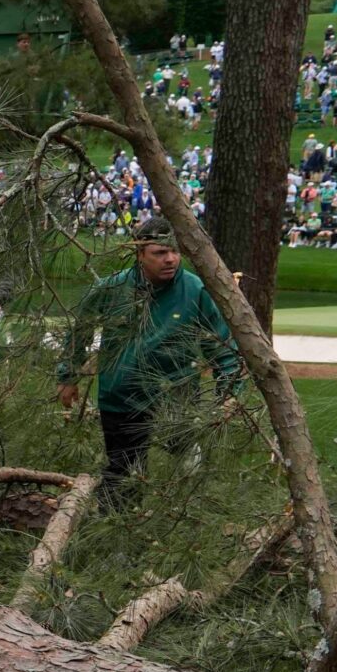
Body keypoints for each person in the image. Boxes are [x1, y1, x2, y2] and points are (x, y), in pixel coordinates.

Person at [58, 214, 241, 507]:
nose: (170, 259)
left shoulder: (194, 289)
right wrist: (68, 376)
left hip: (176, 398)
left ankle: (179, 525)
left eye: (174, 251)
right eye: (159, 253)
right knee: (124, 475)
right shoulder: (112, 288)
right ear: (140, 254)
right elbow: (79, 331)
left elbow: (221, 346)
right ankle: (119, 539)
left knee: (185, 473)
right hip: (121, 397)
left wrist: (230, 393)